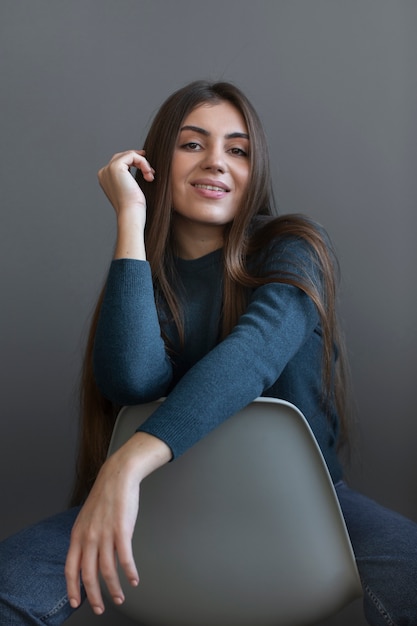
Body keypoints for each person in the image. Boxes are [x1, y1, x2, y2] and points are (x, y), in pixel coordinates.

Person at [0, 80, 416, 626]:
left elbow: (251, 357)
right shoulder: (147, 276)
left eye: (237, 149)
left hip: (306, 502)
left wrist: (123, 466)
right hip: (162, 499)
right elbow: (130, 382)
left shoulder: (294, 247)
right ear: (155, 163)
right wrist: (131, 219)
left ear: (254, 169)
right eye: (193, 144)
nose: (216, 162)